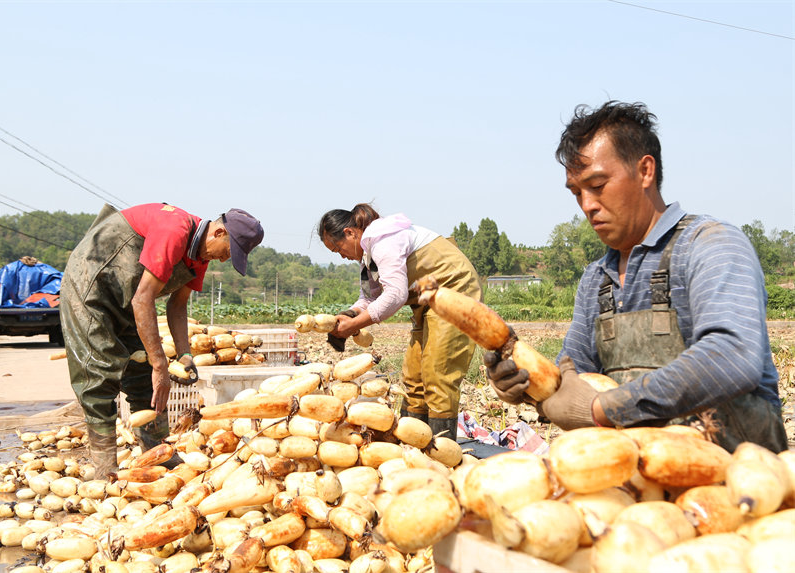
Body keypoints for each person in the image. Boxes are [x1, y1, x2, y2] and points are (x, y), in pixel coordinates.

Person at [486, 101, 787, 453]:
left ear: (645, 171)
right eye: (576, 192)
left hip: (738, 483)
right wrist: (523, 383)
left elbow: (731, 357)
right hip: (637, 487)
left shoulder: (711, 245)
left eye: (597, 185)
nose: (586, 204)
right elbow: (575, 378)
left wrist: (604, 409)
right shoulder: (596, 279)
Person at [61, 203, 264, 476]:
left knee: (144, 375)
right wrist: (161, 366)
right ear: (218, 233)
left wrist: (184, 355)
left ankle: (157, 453)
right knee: (99, 377)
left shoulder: (199, 257)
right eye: (228, 251)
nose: (225, 260)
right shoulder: (175, 230)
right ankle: (103, 468)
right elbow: (143, 298)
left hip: (127, 299)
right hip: (91, 290)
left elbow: (177, 306)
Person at [318, 204, 482, 440]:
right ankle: (412, 445)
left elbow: (395, 295)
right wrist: (350, 314)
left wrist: (355, 326)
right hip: (426, 302)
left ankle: (441, 455)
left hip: (454, 293)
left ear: (350, 233)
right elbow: (370, 297)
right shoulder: (369, 255)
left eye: (337, 249)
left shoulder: (383, 241)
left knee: (438, 374)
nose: (342, 256)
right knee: (414, 380)